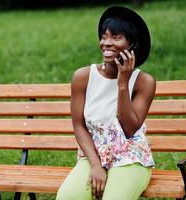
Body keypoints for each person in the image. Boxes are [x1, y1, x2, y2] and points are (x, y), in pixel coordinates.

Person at [56, 6, 155, 200]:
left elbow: (128, 129)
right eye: (104, 36)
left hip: (131, 159)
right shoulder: (82, 77)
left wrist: (123, 83)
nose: (106, 43)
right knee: (67, 197)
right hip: (93, 155)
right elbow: (78, 125)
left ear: (132, 45)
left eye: (115, 37)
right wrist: (95, 165)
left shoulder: (144, 83)